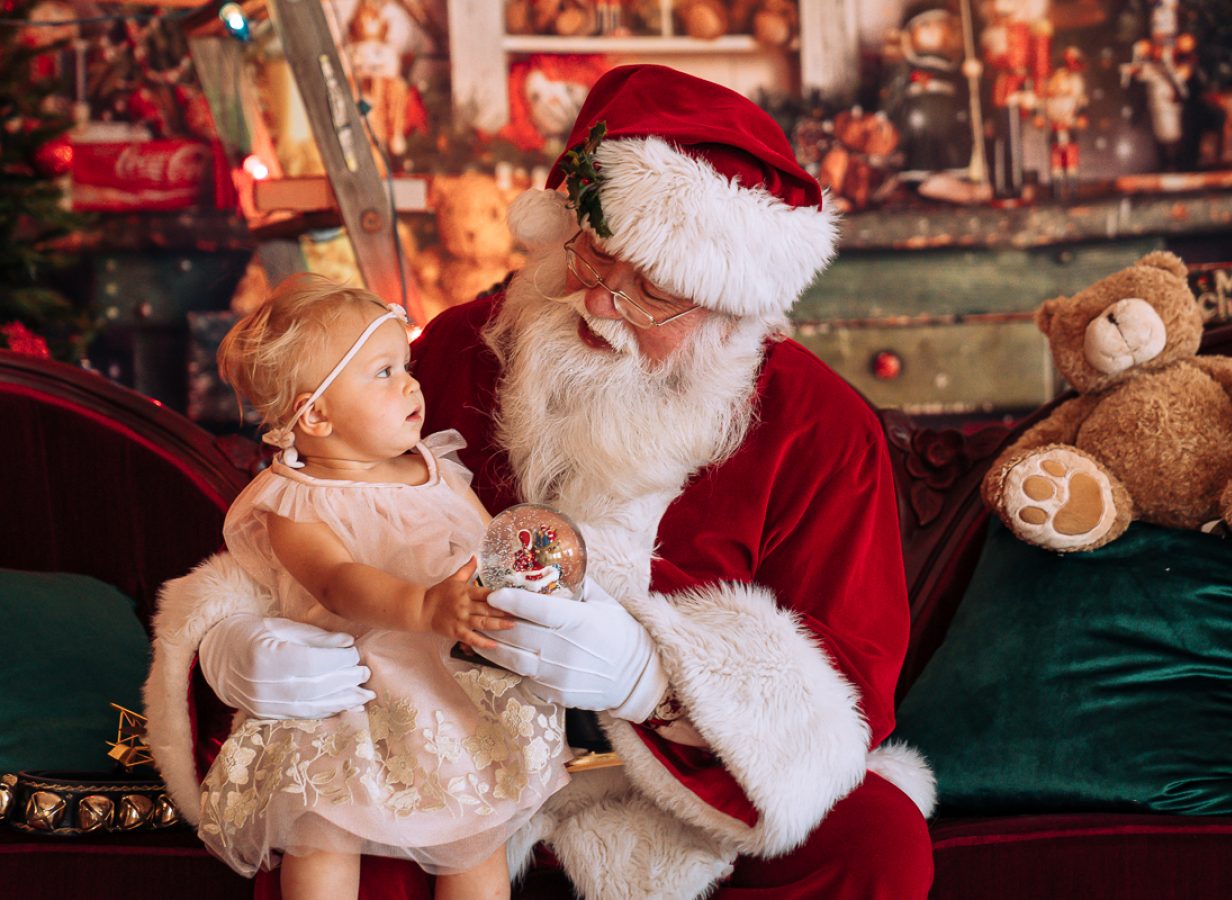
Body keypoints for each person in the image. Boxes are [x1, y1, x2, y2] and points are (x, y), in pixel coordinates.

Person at [145, 64, 936, 899]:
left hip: (670, 793)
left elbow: (852, 691)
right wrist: (232, 651)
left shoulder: (823, 428)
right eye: (591, 257)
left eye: (653, 293)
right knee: (334, 834)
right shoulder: (456, 349)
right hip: (440, 746)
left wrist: (650, 679)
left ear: (730, 307)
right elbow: (313, 510)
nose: (600, 304)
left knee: (875, 842)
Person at [179, 274, 571, 899]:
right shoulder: (295, 500)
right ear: (317, 414)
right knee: (324, 834)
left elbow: (479, 545)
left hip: (446, 687)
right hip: (348, 697)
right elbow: (337, 581)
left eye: (405, 364)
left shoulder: (436, 468)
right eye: (383, 373)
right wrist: (420, 603)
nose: (411, 383)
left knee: (475, 835)